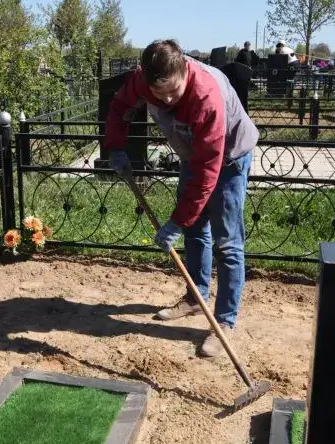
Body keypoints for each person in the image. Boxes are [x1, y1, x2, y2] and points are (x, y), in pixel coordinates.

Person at [105, 39, 259, 357]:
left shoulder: (206, 97)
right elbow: (120, 107)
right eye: (158, 94)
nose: (167, 100)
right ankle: (195, 297)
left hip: (229, 158)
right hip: (194, 154)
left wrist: (176, 221)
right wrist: (116, 146)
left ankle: (224, 322)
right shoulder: (143, 79)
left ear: (184, 71)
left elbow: (207, 173)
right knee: (195, 232)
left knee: (227, 243)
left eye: (174, 91)